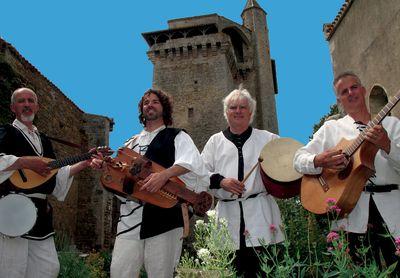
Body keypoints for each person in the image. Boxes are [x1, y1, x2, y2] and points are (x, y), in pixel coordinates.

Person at [293, 72, 400, 271]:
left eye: (354, 87)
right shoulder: (331, 129)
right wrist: (318, 160)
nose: (350, 93)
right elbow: (298, 159)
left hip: (394, 211)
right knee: (358, 272)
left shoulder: (392, 126)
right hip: (350, 214)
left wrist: (387, 145)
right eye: (344, 92)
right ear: (339, 100)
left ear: (363, 89)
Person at [0, 88, 101, 278]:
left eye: (31, 100)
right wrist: (25, 162)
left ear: (37, 107)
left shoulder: (44, 140)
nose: (27, 104)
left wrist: (86, 162)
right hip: (13, 210)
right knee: (11, 269)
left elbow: (56, 176)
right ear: (13, 107)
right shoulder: (7, 132)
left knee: (48, 269)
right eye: (22, 101)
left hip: (41, 213)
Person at [109, 89, 208, 278]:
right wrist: (105, 168)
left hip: (165, 218)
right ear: (142, 110)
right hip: (130, 218)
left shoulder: (177, 136)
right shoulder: (130, 144)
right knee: (119, 272)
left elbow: (193, 163)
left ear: (164, 108)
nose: (150, 105)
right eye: (146, 102)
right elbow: (118, 181)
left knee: (160, 274)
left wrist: (164, 176)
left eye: (155, 102)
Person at [201, 86, 285, 277]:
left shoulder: (268, 139)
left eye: (242, 107)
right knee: (231, 272)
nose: (238, 111)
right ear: (226, 113)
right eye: (232, 107)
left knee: (265, 272)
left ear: (251, 112)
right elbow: (200, 173)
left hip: (261, 216)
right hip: (226, 217)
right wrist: (221, 181)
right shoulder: (215, 142)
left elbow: (288, 159)